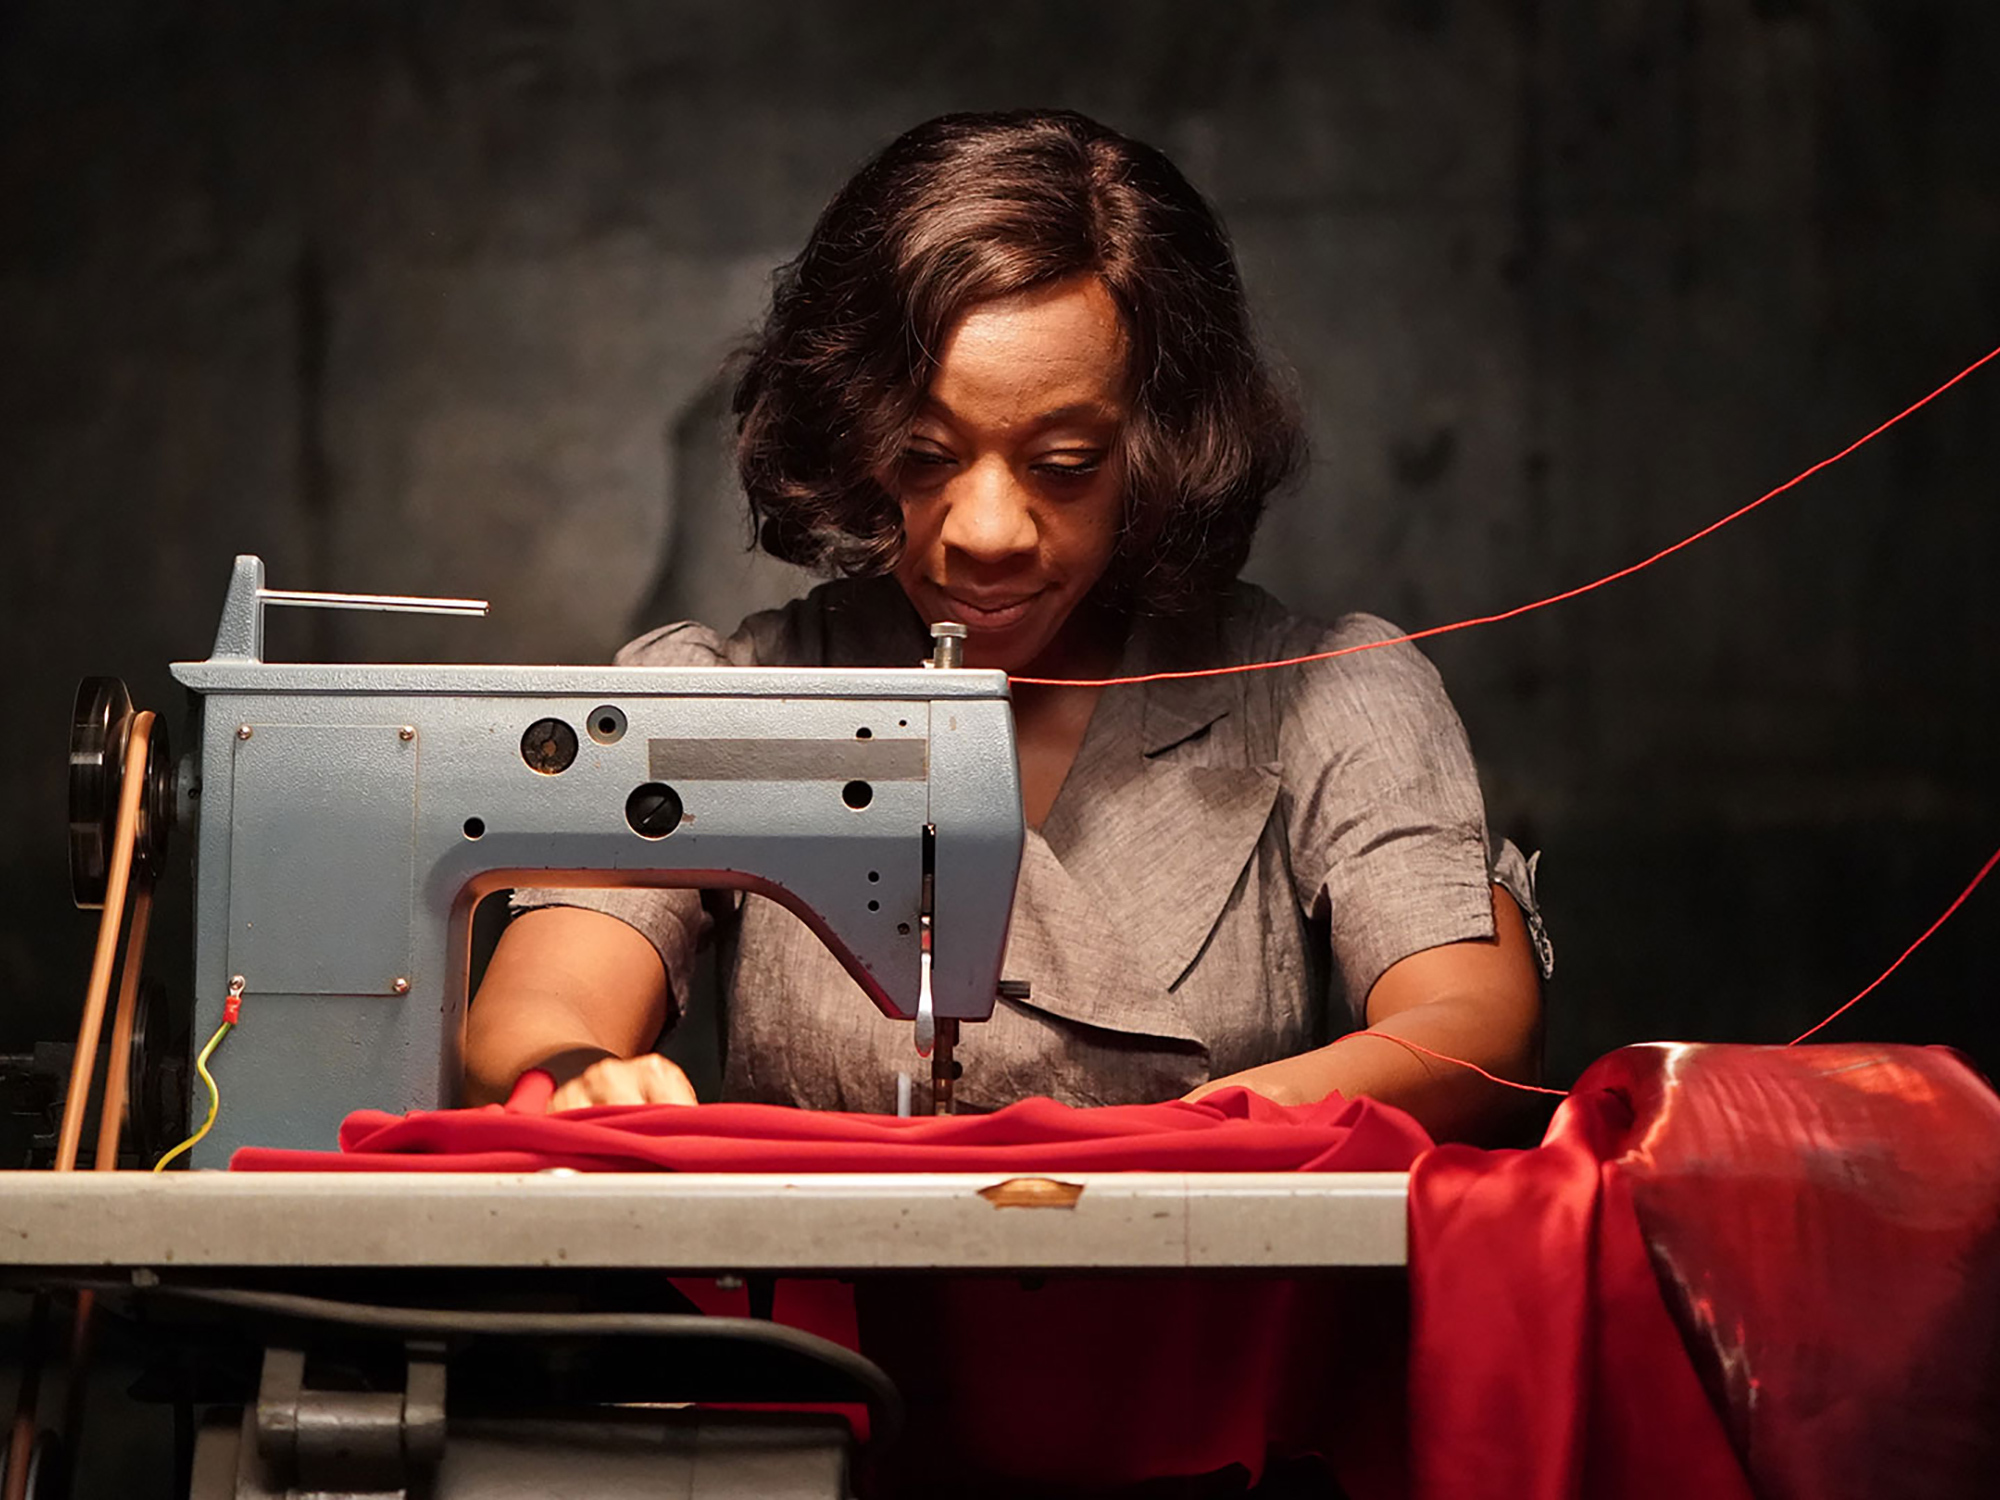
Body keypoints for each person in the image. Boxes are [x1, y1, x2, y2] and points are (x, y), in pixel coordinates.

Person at [464, 109, 1549, 1142]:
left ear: (1160, 451)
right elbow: (544, 1007)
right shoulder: (720, 700)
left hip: (1197, 1327)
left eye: (1064, 467)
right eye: (923, 456)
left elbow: (1470, 1032)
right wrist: (578, 1077)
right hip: (817, 1335)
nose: (985, 533)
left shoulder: (1321, 697)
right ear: (851, 431)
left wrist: (1162, 1148)